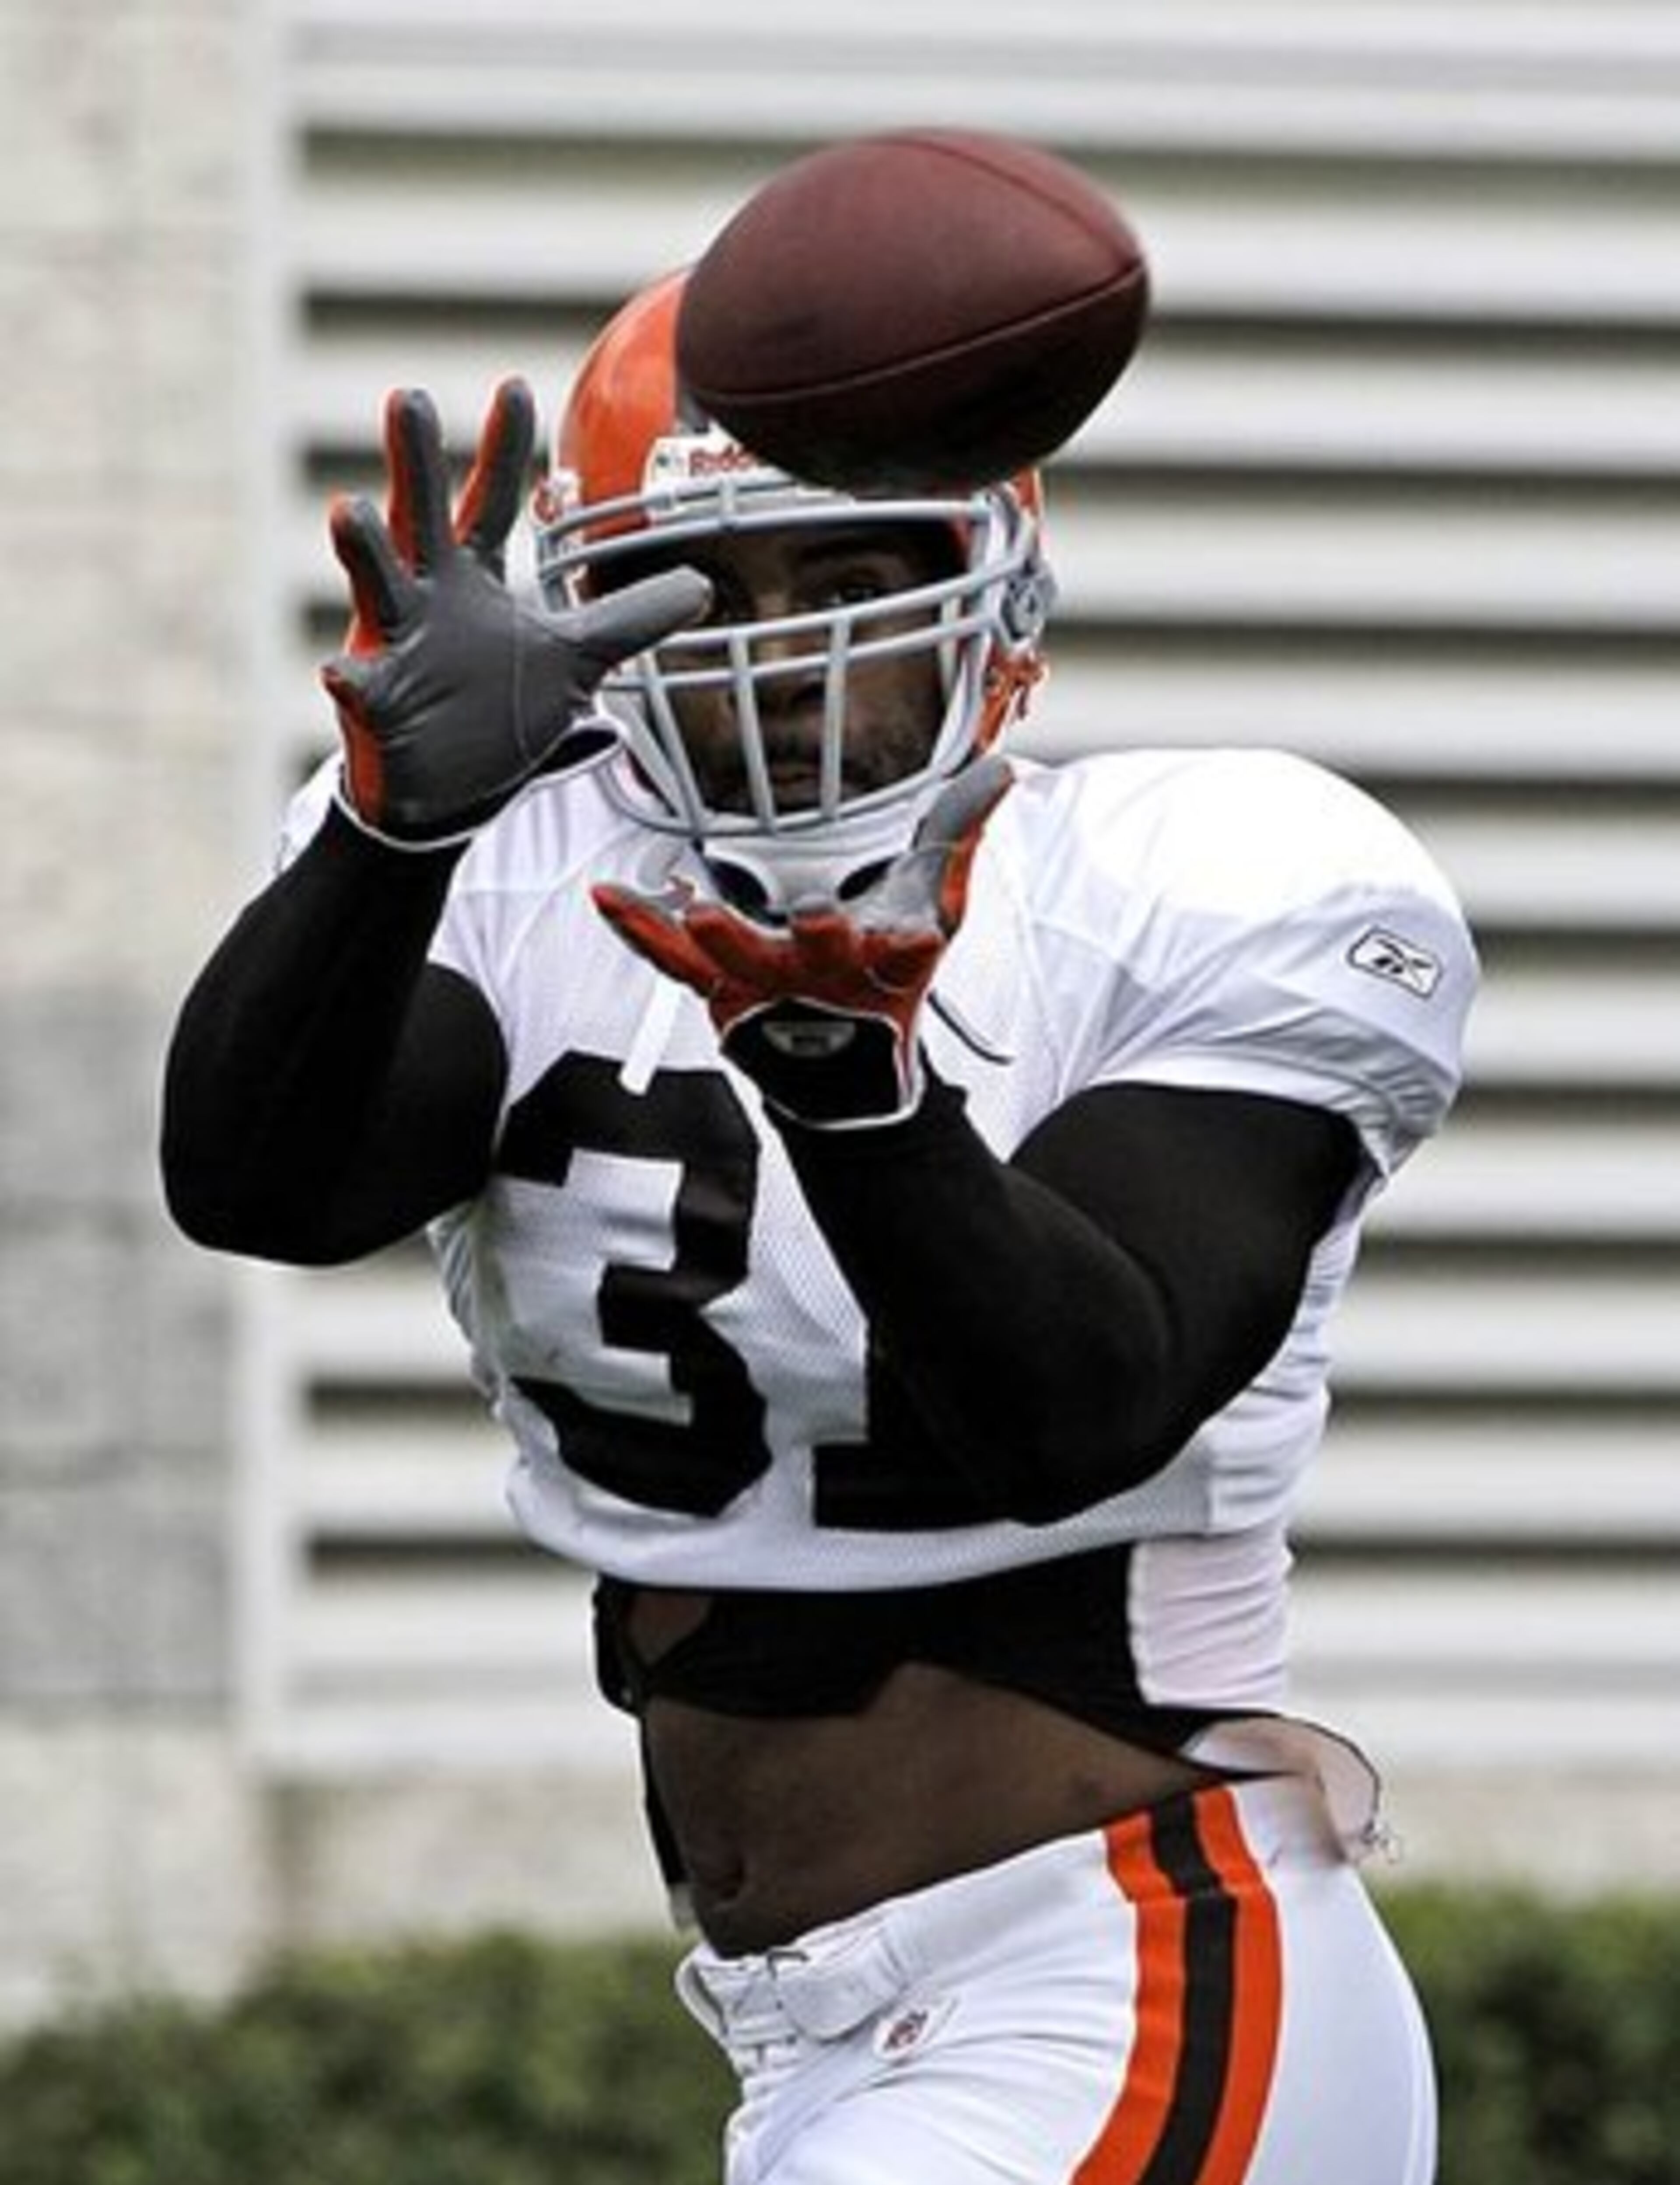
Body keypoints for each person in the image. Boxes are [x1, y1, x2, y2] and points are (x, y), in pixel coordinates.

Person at [161, 260, 1476, 2184]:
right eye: (713, 593)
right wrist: (386, 834)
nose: (778, 655)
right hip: (813, 2032)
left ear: (987, 586)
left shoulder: (1202, 883)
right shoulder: (537, 862)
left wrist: (858, 1098)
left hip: (1125, 1968)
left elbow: (1075, 1405)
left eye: (846, 587)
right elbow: (265, 1189)